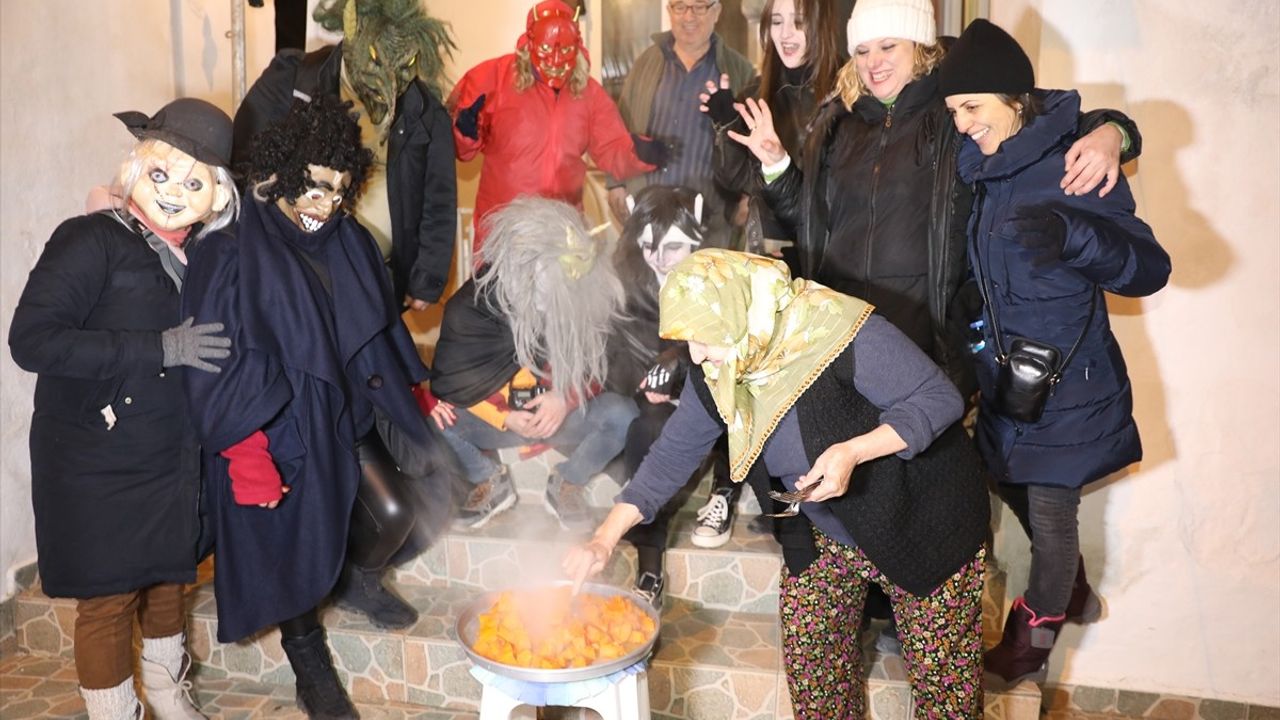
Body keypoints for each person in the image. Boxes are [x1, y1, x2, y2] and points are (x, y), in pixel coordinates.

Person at [566, 249, 992, 718]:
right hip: (823, 532)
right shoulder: (719, 368)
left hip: (924, 523)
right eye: (685, 340)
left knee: (945, 699)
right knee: (816, 685)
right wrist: (603, 540)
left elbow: (939, 398)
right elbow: (671, 455)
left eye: (705, 338)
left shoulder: (840, 332)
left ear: (740, 310)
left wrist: (854, 450)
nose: (696, 356)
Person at [183, 96, 453, 719]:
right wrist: (245, 450)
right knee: (294, 547)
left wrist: (416, 387)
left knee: (391, 513)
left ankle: (357, 579)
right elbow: (217, 357)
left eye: (337, 192)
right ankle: (311, 667)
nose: (323, 206)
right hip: (281, 427)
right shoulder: (231, 249)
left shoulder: (349, 238)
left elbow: (380, 324)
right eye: (312, 188)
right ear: (281, 173)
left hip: (344, 407)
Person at [938, 19, 1171, 689]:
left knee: (1049, 508)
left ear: (1014, 98)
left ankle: (1031, 639)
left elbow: (1148, 268)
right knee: (1005, 478)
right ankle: (1073, 590)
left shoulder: (1076, 162)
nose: (961, 123)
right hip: (1012, 380)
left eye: (971, 107)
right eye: (954, 110)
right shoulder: (982, 170)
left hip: (1069, 379)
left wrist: (1074, 236)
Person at [9, 98, 240, 720]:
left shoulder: (206, 257)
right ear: (137, 168)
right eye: (163, 173)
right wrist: (159, 348)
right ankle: (118, 712)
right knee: (108, 601)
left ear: (217, 198)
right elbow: (31, 341)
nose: (174, 192)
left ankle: (168, 696)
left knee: (170, 580)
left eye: (195, 183)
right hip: (93, 456)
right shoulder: (89, 239)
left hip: (171, 453)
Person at [427, 198, 638, 533]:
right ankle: (488, 479)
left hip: (561, 418)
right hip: (499, 423)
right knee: (435, 422)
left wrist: (562, 398)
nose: (551, 287)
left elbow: (599, 364)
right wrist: (504, 416)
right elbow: (454, 384)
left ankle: (568, 482)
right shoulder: (469, 310)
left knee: (622, 415)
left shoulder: (576, 299)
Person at [232, 0, 457, 311]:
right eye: (378, 60)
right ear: (353, 31)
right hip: (291, 273)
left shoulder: (425, 111)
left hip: (378, 279)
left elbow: (439, 197)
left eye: (405, 65)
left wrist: (427, 277)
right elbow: (243, 167)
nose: (390, 80)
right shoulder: (292, 81)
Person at [448, 0, 662, 251]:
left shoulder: (588, 94)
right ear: (529, 43)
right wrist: (464, 132)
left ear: (577, 46)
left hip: (562, 235)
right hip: (504, 235)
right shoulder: (492, 78)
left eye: (565, 50)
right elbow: (458, 151)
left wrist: (641, 154)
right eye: (548, 48)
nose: (557, 59)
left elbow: (613, 148)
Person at [606, 186, 734, 604]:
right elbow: (617, 359)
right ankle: (649, 567)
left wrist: (679, 364)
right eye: (649, 246)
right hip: (661, 407)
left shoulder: (724, 276)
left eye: (674, 246)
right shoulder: (627, 285)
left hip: (722, 393)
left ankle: (725, 492)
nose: (661, 258)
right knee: (646, 432)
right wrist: (646, 387)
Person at [700, 0, 843, 263]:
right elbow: (737, 180)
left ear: (821, 24)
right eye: (777, 22)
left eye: (798, 22)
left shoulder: (847, 94)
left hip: (830, 258)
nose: (785, 33)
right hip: (767, 255)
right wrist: (728, 125)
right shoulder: (756, 95)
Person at [606, 0, 756, 242]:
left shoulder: (739, 71)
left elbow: (754, 144)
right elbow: (618, 128)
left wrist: (750, 196)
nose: (689, 16)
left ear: (716, 12)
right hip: (647, 220)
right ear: (669, 11)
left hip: (711, 225)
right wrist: (615, 183)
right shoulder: (646, 63)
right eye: (680, 6)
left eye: (699, 7)